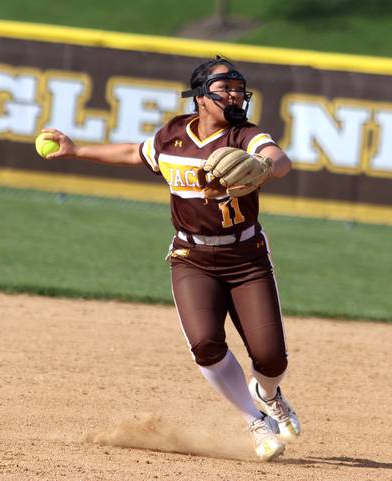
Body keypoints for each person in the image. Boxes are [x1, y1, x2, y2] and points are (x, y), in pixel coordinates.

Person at [40, 56, 300, 462]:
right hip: (191, 256)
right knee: (205, 345)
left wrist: (264, 164)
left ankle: (268, 394)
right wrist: (76, 151)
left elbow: (280, 160)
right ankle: (255, 422)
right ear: (199, 96)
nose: (235, 94)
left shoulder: (245, 135)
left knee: (270, 357)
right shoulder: (173, 135)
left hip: (246, 257)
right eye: (224, 88)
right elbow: (133, 153)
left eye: (239, 88)